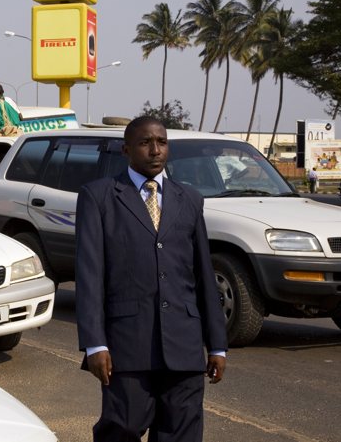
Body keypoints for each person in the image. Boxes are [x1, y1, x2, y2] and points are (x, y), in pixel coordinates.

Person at [75, 116, 227, 442]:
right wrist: (95, 343)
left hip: (184, 348)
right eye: (145, 143)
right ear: (126, 149)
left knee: (182, 433)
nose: (155, 150)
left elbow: (202, 274)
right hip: (127, 346)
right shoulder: (99, 197)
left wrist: (217, 345)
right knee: (122, 429)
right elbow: (89, 274)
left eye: (161, 142)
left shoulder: (189, 199)